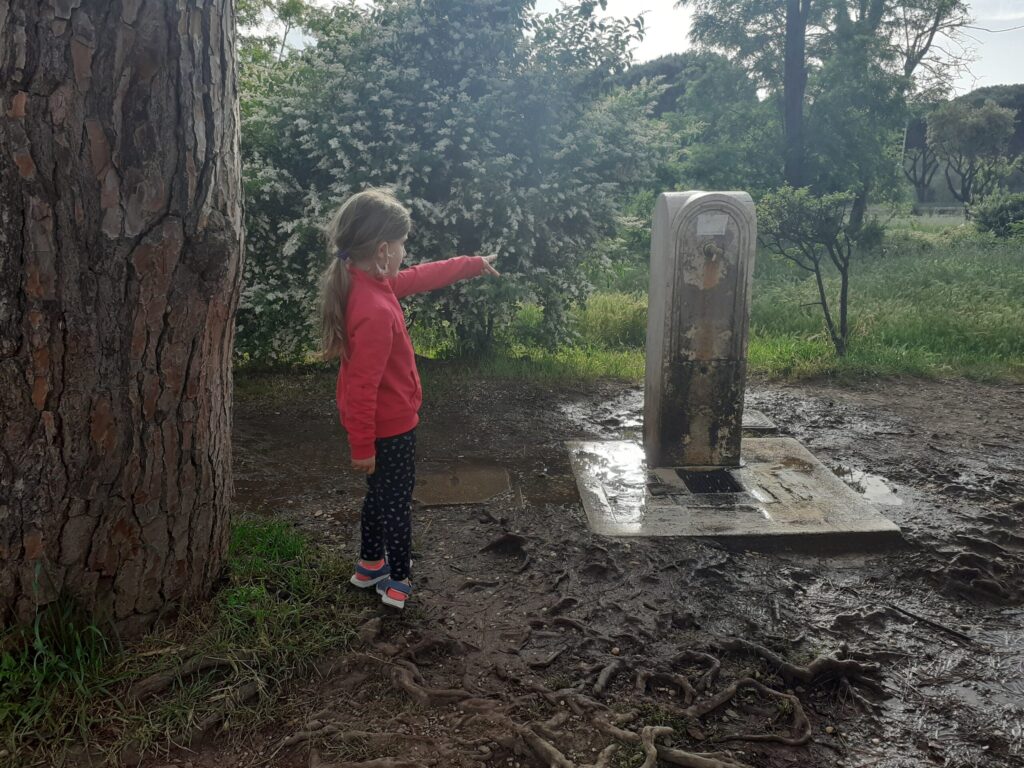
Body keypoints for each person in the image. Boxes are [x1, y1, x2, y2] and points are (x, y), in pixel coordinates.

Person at [318, 188, 499, 609]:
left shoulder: (367, 283)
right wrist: (362, 446)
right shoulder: (376, 309)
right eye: (402, 245)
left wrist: (471, 264)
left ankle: (369, 566)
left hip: (380, 427)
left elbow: (421, 276)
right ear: (383, 250)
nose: (405, 253)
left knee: (378, 497)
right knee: (397, 504)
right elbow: (363, 386)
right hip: (390, 428)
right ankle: (398, 581)